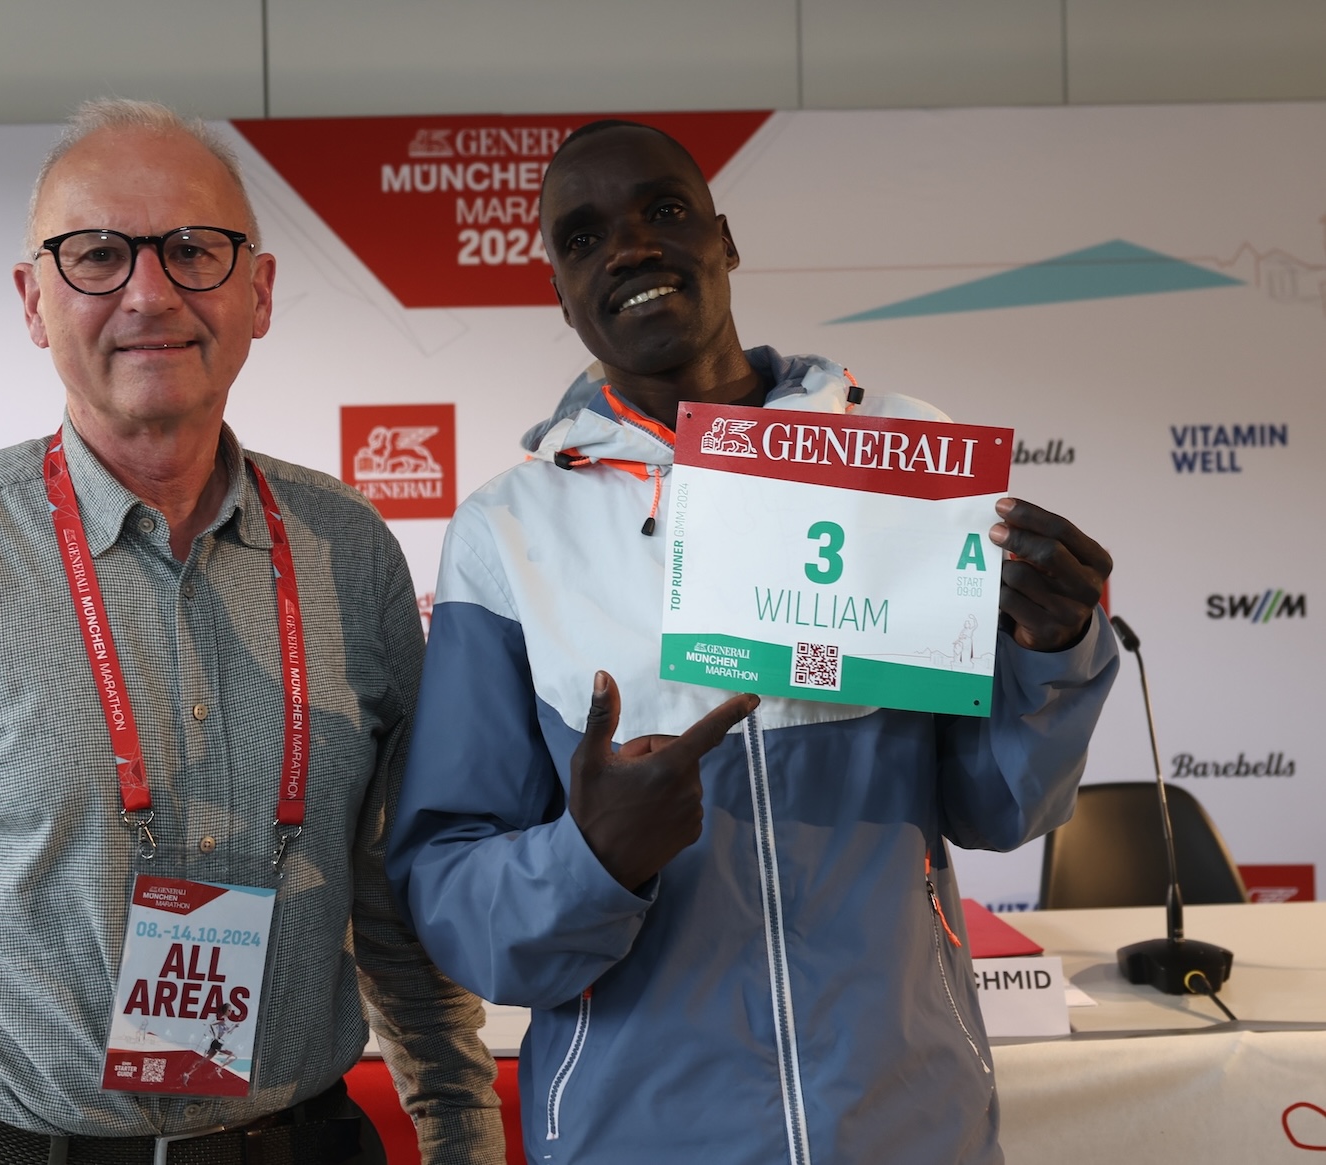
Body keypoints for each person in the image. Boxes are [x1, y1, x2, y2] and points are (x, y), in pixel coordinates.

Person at [0, 98, 502, 1165]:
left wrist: (462, 1129)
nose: (149, 291)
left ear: (259, 292)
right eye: (94, 256)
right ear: (34, 301)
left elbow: (400, 900)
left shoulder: (349, 552)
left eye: (193, 249)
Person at [388, 120, 1118, 1164]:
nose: (632, 246)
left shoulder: (904, 461)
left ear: (725, 240)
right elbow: (456, 897)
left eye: (666, 212)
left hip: (904, 1125)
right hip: (635, 1136)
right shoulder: (508, 536)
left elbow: (1001, 805)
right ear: (559, 290)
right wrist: (590, 857)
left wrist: (1053, 647)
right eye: (586, 237)